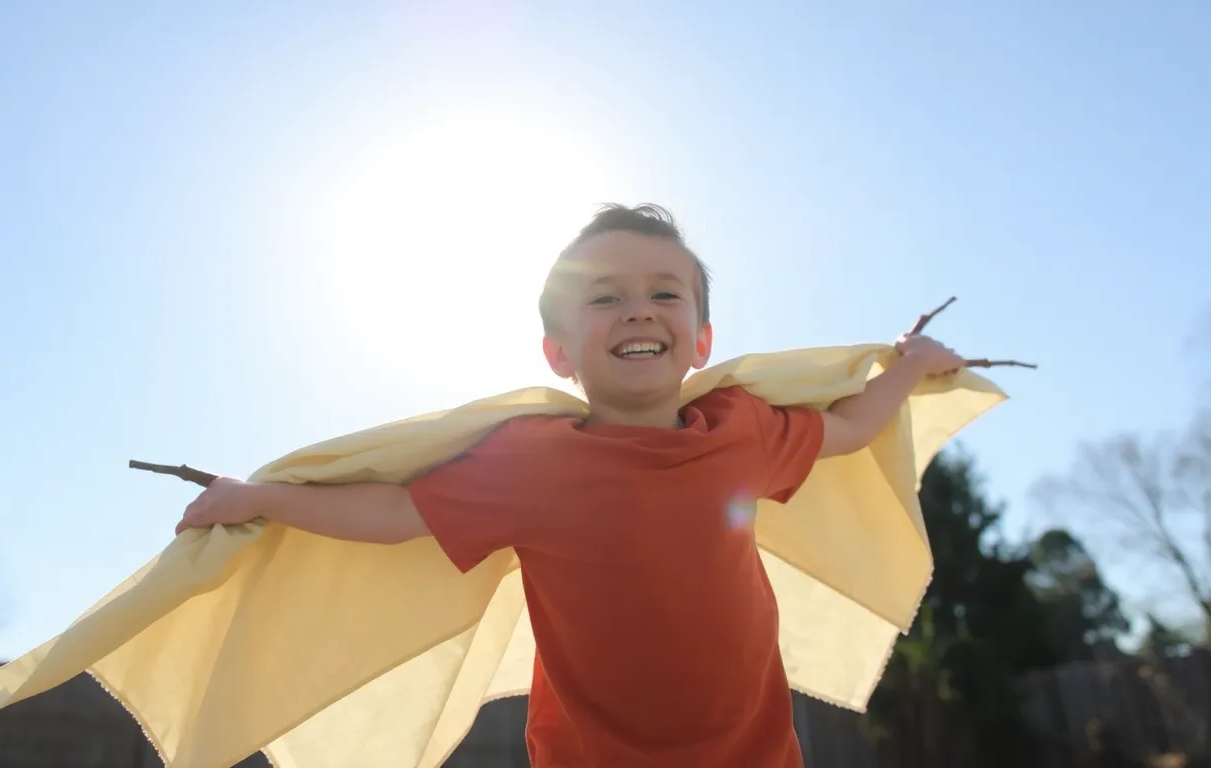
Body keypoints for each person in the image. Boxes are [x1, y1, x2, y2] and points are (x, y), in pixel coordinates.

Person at [174, 204, 966, 767]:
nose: (637, 312)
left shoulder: (741, 430)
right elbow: (394, 512)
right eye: (604, 298)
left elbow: (854, 429)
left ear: (701, 338)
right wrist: (265, 498)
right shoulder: (533, 463)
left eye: (664, 293)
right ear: (558, 353)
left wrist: (909, 367)